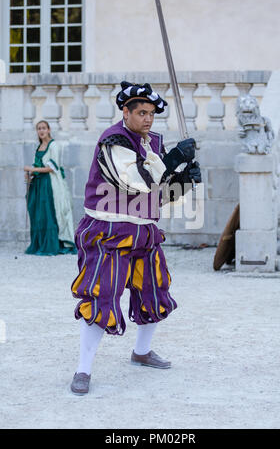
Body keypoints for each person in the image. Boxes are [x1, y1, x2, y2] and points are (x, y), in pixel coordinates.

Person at [70, 81, 201, 395]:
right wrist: (171, 162)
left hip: (145, 230)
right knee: (101, 295)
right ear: (125, 112)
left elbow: (158, 193)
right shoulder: (113, 141)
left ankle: (141, 352)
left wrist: (183, 181)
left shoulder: (152, 142)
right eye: (141, 112)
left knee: (154, 291)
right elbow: (134, 182)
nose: (147, 119)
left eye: (151, 113)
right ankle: (83, 369)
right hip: (109, 231)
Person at [24, 120, 76, 256]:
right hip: (39, 184)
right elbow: (38, 165)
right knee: (40, 214)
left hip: (49, 184)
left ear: (48, 130)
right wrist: (30, 174)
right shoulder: (40, 146)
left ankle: (52, 245)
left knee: (49, 213)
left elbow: (52, 168)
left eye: (43, 128)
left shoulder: (54, 146)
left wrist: (32, 168)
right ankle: (40, 243)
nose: (41, 131)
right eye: (38, 129)